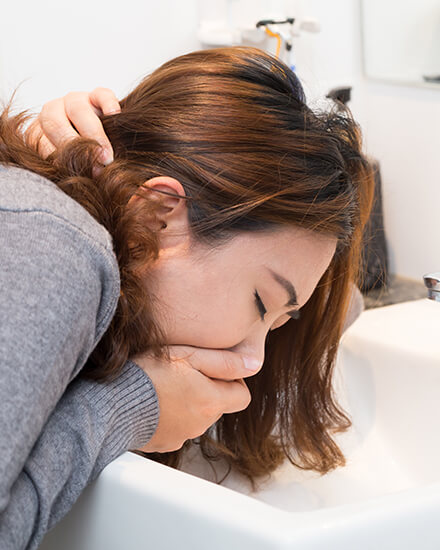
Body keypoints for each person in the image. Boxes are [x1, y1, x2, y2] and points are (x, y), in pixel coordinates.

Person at [0, 46, 372, 548]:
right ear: (159, 214)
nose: (252, 361)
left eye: (278, 323)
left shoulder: (59, 233)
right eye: (260, 304)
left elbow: (347, 304)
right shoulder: (59, 243)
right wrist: (130, 406)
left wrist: (103, 163)